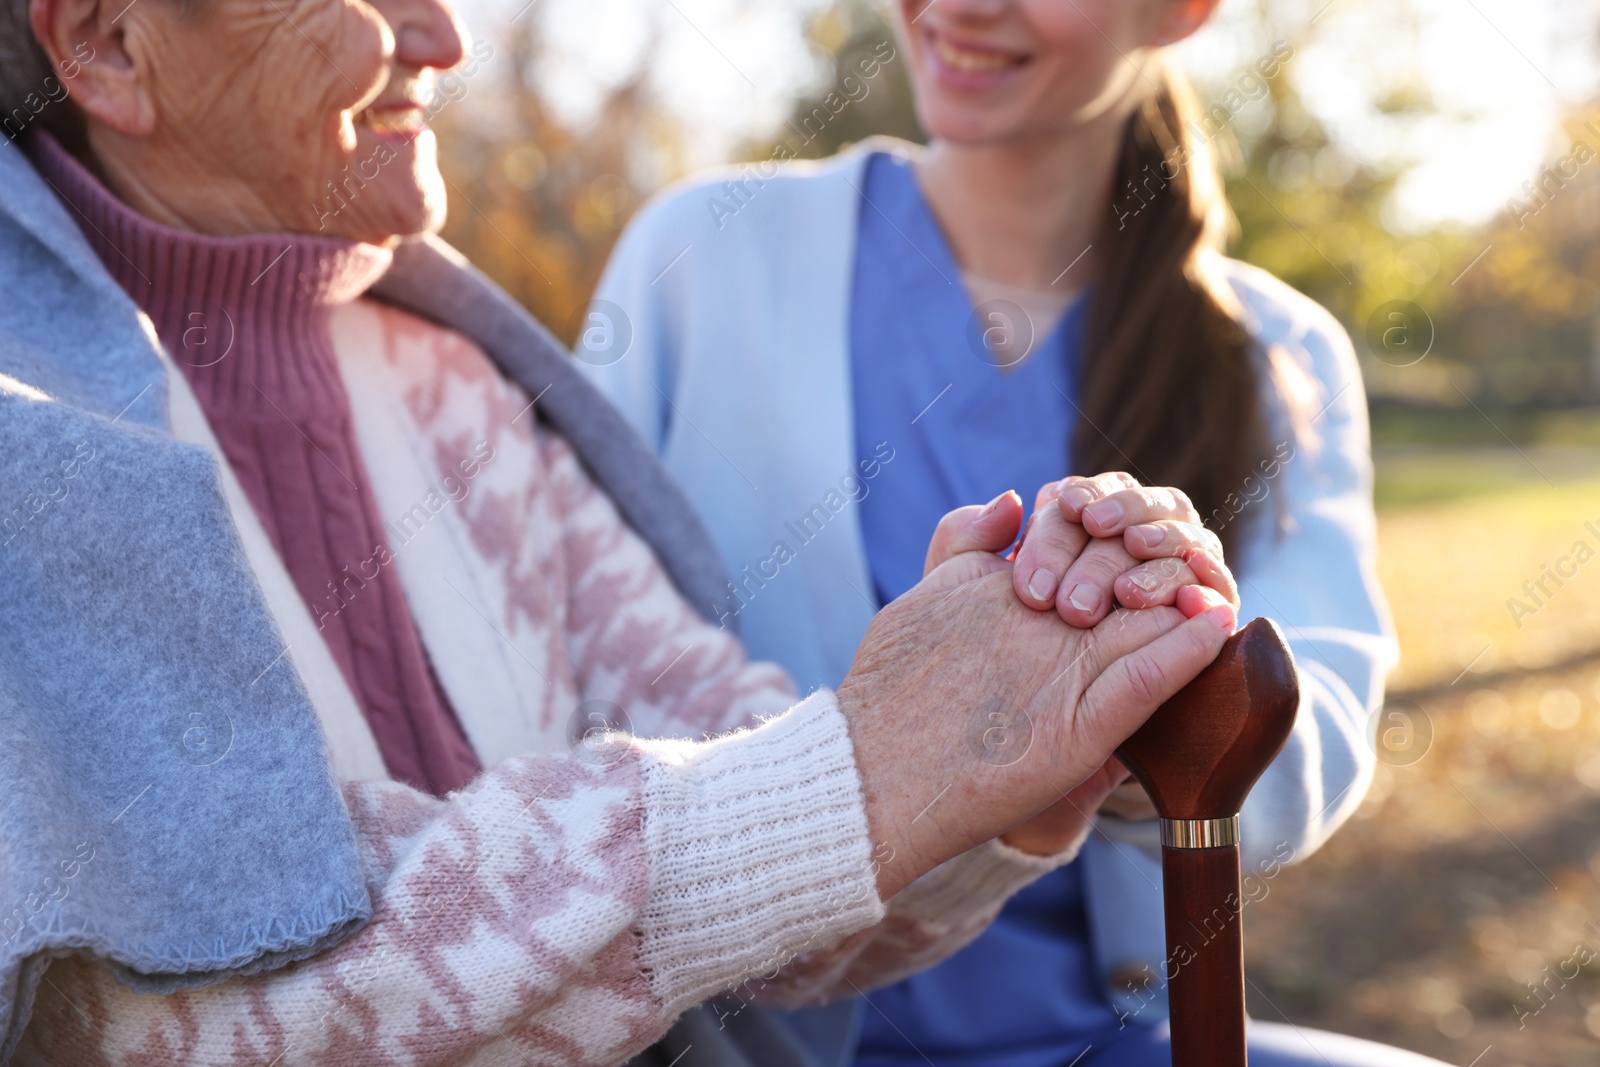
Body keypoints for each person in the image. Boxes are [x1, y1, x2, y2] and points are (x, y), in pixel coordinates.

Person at [0, 0, 1247, 1063]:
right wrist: (873, 764)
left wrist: (1004, 743)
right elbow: (186, 1008)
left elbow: (755, 827)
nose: (444, 37)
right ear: (108, 43)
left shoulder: (462, 387)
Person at [583, 0, 1432, 1064]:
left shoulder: (1280, 352)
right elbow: (562, 651)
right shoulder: (704, 257)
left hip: (1096, 1041)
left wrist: (1151, 723)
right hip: (745, 1040)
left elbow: (1322, 709)